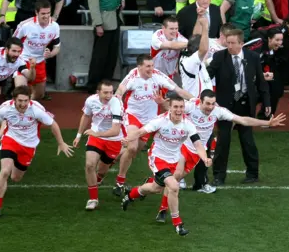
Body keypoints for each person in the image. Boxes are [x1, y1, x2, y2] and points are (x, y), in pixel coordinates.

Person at [153, 91, 284, 222]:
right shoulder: (191, 106)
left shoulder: (218, 111)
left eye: (212, 103)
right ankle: (163, 210)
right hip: (182, 146)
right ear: (200, 101)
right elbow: (172, 108)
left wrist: (267, 123)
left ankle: (142, 190)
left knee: (172, 179)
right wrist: (162, 103)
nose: (210, 107)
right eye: (207, 104)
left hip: (198, 151)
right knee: (176, 175)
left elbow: (242, 120)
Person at [120, 96, 212, 236]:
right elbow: (140, 132)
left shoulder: (188, 124)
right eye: (175, 107)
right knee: (173, 186)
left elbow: (198, 144)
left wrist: (205, 158)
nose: (179, 110)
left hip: (174, 160)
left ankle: (130, 195)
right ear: (169, 107)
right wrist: (127, 139)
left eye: (181, 107)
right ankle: (178, 224)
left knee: (155, 188)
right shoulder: (160, 121)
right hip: (158, 159)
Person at [0, 86, 73, 217]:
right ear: (14, 99)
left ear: (30, 99)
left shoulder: (36, 109)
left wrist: (61, 143)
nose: (23, 104)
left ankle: (9, 175)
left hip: (29, 145)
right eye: (20, 101)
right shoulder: (5, 108)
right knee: (5, 171)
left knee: (16, 177)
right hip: (10, 140)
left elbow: (53, 124)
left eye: (26, 100)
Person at [112, 55, 193, 195]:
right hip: (133, 116)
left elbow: (179, 91)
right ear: (139, 67)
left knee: (136, 150)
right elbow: (120, 91)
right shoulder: (132, 76)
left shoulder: (158, 76)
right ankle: (120, 182)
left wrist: (197, 100)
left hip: (150, 120)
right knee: (132, 147)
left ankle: (112, 156)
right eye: (148, 66)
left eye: (152, 65)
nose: (151, 69)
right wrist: (117, 101)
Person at [206, 28, 270, 185]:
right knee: (223, 141)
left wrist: (267, 102)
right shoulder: (219, 56)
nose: (229, 46)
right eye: (227, 43)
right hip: (225, 106)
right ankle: (219, 176)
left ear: (241, 43)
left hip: (246, 104)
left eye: (233, 43)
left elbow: (260, 81)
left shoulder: (253, 57)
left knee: (247, 140)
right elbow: (208, 75)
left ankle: (253, 173)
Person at [73, 80, 123, 210]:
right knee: (90, 165)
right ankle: (93, 199)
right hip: (96, 137)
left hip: (113, 139)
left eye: (111, 92)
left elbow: (116, 130)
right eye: (105, 92)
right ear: (98, 92)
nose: (108, 95)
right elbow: (86, 116)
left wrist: (97, 134)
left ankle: (99, 178)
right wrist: (78, 136)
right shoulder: (91, 101)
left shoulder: (116, 103)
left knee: (101, 170)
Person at [86, 0, 124, 93]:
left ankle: (106, 84)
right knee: (100, 55)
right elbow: (93, 1)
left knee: (112, 54)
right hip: (104, 16)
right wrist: (98, 23)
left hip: (115, 15)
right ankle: (93, 85)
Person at [12, 0, 61, 100]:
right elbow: (12, 43)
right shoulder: (25, 26)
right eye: (43, 13)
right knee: (21, 92)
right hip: (23, 60)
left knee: (39, 95)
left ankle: (29, 108)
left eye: (48, 13)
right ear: (36, 12)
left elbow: (57, 47)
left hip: (40, 62)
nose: (46, 16)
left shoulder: (55, 27)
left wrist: (50, 54)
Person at [244, 26, 284, 118]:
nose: (280, 43)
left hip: (261, 69)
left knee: (276, 90)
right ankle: (242, 118)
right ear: (269, 39)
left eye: (281, 40)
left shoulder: (273, 49)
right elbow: (244, 58)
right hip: (243, 69)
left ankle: (266, 117)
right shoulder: (257, 45)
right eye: (277, 40)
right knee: (252, 94)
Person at [179, 13, 211, 98]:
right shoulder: (190, 62)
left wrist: (199, 17)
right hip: (196, 106)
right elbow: (203, 49)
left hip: (204, 103)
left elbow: (195, 36)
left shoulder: (189, 50)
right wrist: (205, 27)